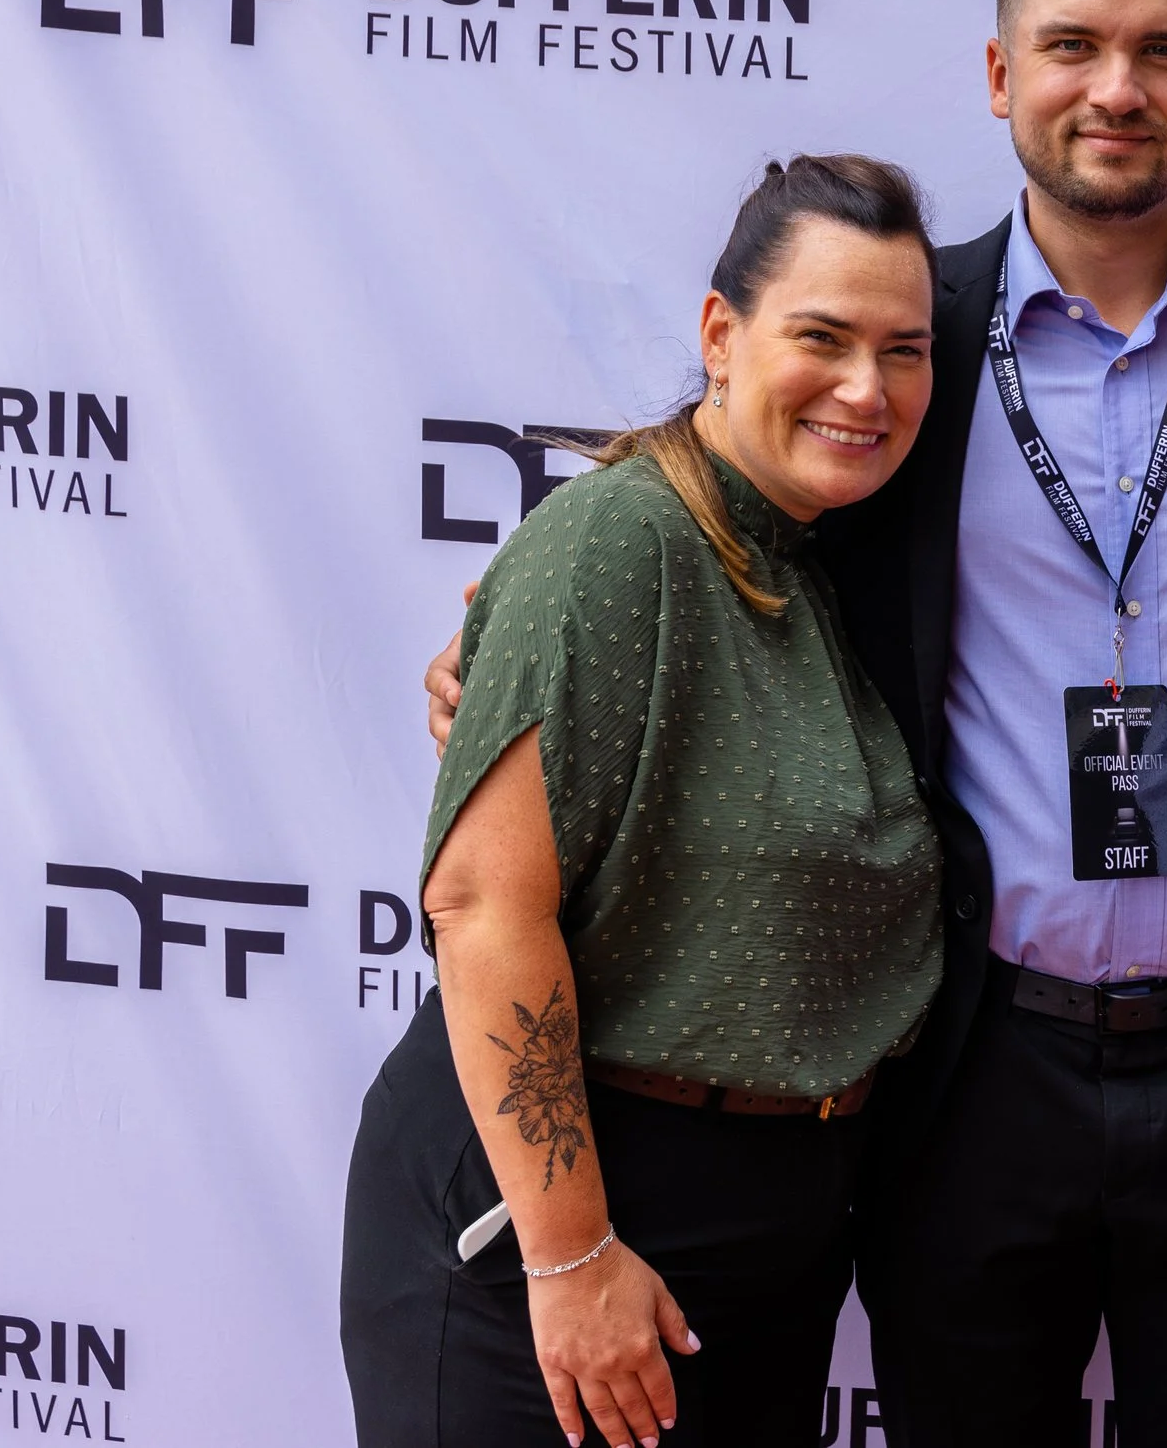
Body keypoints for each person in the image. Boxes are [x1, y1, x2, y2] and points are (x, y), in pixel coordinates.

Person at [426, 0, 1167, 1447]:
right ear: (998, 74)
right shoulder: (909, 340)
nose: (1117, 87)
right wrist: (505, 639)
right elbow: (709, 495)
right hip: (972, 1069)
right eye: (1072, 44)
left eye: (1164, 49)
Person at [346, 154, 947, 1448]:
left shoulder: (819, 557)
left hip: (759, 1253)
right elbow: (484, 906)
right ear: (720, 334)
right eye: (824, 337)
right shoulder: (622, 540)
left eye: (905, 349)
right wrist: (568, 1259)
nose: (867, 386)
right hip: (554, 1231)